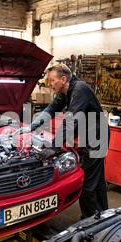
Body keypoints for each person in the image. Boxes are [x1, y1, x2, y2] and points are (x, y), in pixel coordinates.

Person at [30, 64, 109, 219]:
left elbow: (71, 120)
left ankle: (90, 221)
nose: (50, 84)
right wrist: (31, 127)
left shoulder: (80, 89)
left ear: (63, 79)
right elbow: (51, 109)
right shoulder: (65, 91)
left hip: (96, 137)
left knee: (86, 183)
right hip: (89, 135)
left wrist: (54, 146)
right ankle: (104, 215)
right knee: (97, 180)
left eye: (52, 81)